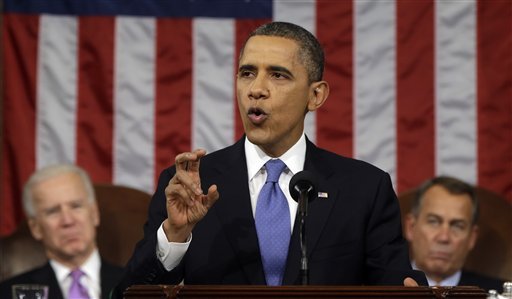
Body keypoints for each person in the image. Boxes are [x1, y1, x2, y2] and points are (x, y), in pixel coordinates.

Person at [113, 21, 426, 297]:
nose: (256, 89)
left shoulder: (364, 189)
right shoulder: (190, 185)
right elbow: (130, 294)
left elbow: (396, 285)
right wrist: (175, 237)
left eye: (278, 75)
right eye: (247, 73)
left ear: (315, 95)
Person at [0, 164, 124, 299]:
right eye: (53, 211)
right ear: (36, 228)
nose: (68, 221)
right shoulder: (8, 294)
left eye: (76, 206)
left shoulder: (138, 285)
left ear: (94, 214)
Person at [404, 176, 504, 292]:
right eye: (433, 222)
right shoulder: (382, 287)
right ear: (411, 228)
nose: (444, 237)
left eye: (457, 226)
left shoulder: (500, 294)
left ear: (472, 238)